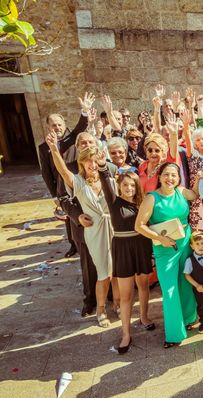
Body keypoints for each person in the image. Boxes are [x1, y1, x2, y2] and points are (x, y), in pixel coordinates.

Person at [46, 133, 118, 328]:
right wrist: (54, 149)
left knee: (117, 271)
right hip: (94, 231)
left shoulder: (109, 178)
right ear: (83, 163)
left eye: (96, 161)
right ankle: (101, 309)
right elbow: (62, 171)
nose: (93, 165)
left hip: (113, 227)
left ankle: (118, 303)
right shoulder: (78, 182)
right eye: (89, 162)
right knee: (104, 273)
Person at [135, 162, 199, 348]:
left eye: (174, 175)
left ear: (178, 178)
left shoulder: (182, 192)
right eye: (166, 174)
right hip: (165, 248)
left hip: (185, 243)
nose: (170, 178)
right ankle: (174, 334)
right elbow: (139, 225)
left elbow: (194, 195)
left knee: (185, 283)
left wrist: (198, 181)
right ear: (159, 176)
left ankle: (188, 319)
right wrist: (159, 239)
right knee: (170, 290)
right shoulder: (152, 198)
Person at [97, 156, 154, 353]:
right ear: (120, 186)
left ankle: (144, 317)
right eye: (126, 185)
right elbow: (105, 181)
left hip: (142, 245)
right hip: (122, 248)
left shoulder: (143, 202)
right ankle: (126, 334)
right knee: (126, 294)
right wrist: (103, 166)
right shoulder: (114, 201)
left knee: (144, 285)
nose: (129, 188)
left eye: (132, 185)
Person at [38, 93, 93, 258]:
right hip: (62, 188)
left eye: (59, 124)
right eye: (54, 125)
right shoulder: (43, 148)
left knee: (82, 212)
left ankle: (85, 241)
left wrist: (85, 111)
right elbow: (46, 172)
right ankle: (73, 245)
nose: (57, 128)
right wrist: (54, 193)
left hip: (77, 181)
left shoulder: (72, 138)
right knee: (69, 217)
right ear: (49, 127)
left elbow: (81, 127)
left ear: (64, 125)